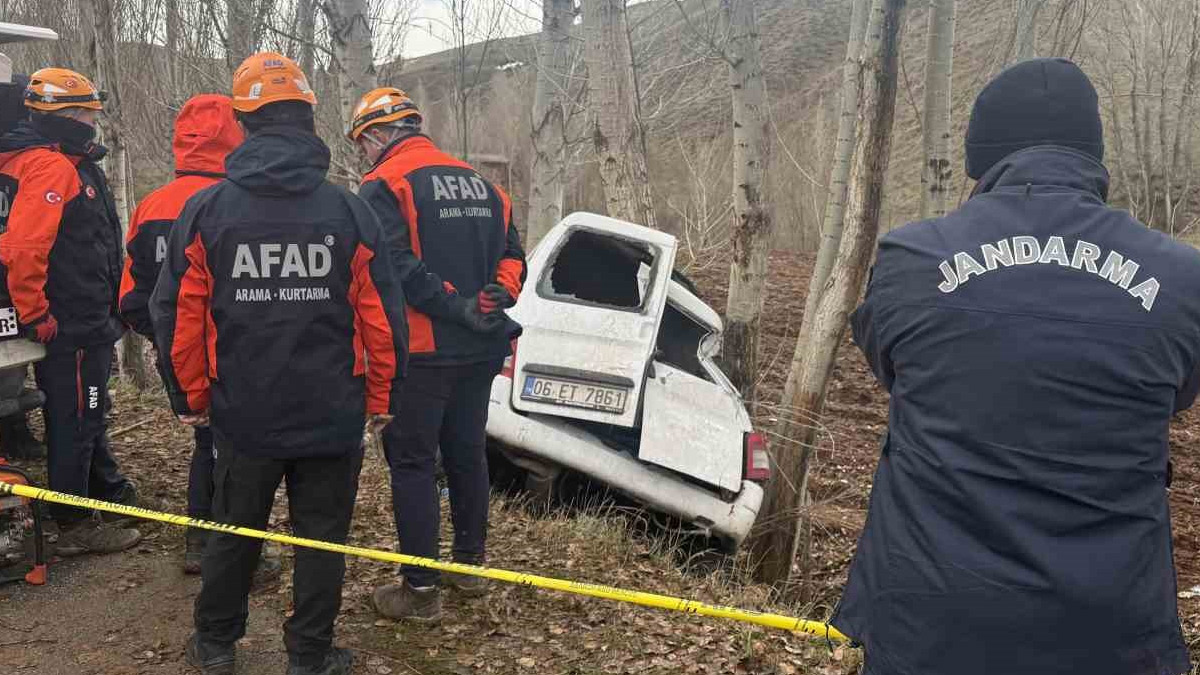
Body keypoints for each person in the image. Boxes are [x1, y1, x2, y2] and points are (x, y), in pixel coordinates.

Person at [831, 58, 1200, 675]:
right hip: (1110, 636)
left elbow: (891, 364)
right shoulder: (1182, 279)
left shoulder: (911, 259)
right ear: (1094, 152)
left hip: (932, 631)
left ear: (981, 154)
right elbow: (1179, 391)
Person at [151, 53, 407, 675]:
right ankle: (309, 656)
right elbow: (383, 318)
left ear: (244, 123)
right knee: (321, 542)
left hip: (243, 413)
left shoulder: (209, 211)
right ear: (310, 118)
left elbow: (177, 314)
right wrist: (380, 399)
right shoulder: (348, 211)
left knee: (233, 532)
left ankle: (215, 645)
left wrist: (190, 397)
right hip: (331, 413)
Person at [348, 86, 524, 623]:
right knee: (467, 454)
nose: (364, 156)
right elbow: (514, 256)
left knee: (414, 463)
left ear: (377, 134)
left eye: (363, 145)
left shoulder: (383, 184)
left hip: (421, 353)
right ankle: (469, 565)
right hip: (479, 350)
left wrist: (457, 306)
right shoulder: (485, 186)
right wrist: (497, 296)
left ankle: (420, 589)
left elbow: (395, 268)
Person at [118, 94, 280, 583]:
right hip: (240, 352)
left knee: (207, 443)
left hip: (178, 349)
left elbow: (132, 297)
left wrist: (168, 343)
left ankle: (201, 540)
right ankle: (228, 551)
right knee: (235, 452)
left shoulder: (152, 205)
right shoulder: (245, 201)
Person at [0, 68, 140, 555]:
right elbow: (23, 248)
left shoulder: (57, 162)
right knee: (78, 415)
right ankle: (75, 522)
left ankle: (106, 488)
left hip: (83, 314)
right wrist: (36, 311)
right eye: (83, 113)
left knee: (89, 409)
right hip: (70, 319)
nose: (91, 121)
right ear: (60, 117)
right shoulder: (49, 168)